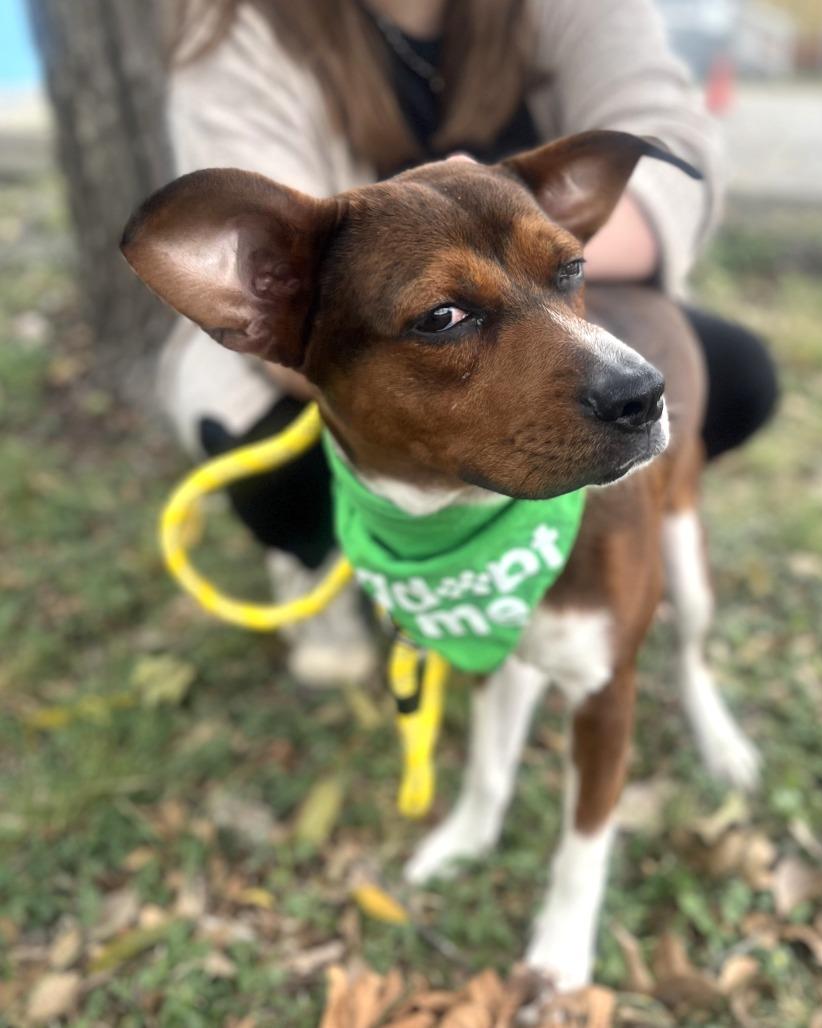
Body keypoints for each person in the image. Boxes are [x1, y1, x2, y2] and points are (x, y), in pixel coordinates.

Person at [159, 0, 778, 685]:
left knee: (734, 375)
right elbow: (265, 270)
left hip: (546, 300)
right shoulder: (239, 26)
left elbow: (669, 137)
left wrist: (532, 221)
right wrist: (415, 277)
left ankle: (531, 555)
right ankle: (328, 561)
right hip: (339, 354)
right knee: (283, 478)